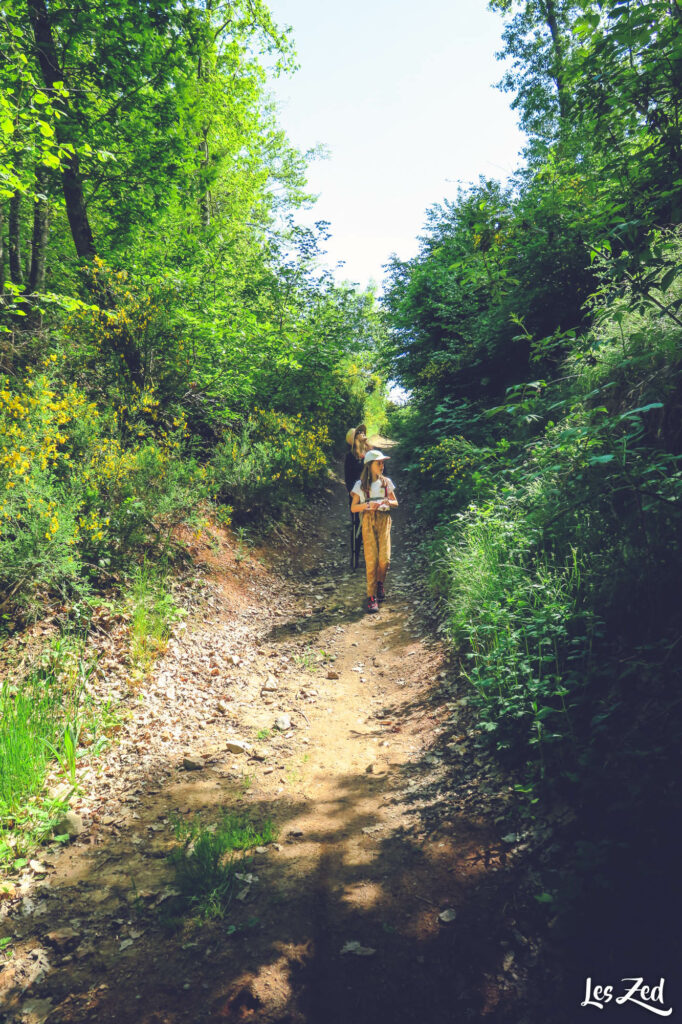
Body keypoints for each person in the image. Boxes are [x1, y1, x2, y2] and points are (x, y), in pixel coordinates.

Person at [350, 449, 398, 613]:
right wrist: (368, 506)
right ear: (370, 465)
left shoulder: (386, 482)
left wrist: (387, 502)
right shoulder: (361, 485)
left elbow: (395, 502)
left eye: (383, 462)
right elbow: (353, 507)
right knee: (371, 559)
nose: (382, 465)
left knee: (385, 559)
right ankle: (371, 596)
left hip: (384, 520)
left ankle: (380, 583)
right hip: (368, 520)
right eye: (379, 463)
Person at [345, 424, 368, 567]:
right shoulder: (350, 457)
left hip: (371, 494)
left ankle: (370, 555)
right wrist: (354, 495)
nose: (361, 434)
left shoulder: (369, 452)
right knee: (357, 524)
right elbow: (347, 479)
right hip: (356, 495)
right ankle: (356, 556)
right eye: (358, 433)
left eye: (362, 432)